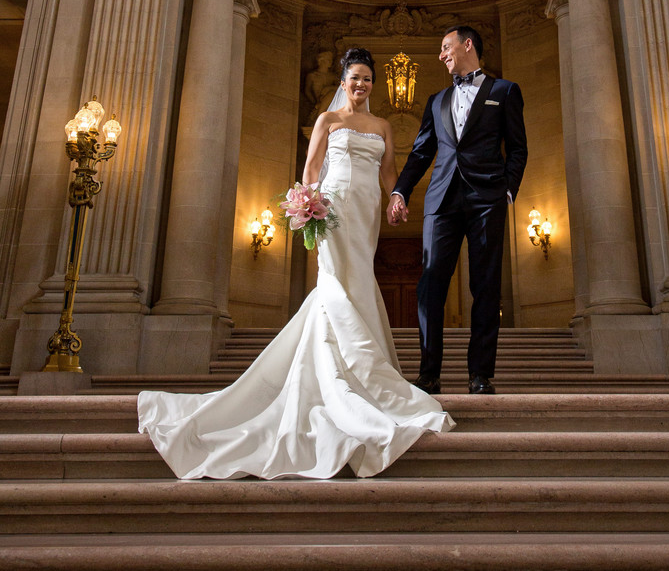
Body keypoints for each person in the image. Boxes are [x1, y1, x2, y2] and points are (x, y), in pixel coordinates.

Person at [138, 47, 454, 480]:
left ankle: (351, 365)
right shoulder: (328, 121)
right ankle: (344, 370)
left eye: (367, 79)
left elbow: (388, 171)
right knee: (336, 281)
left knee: (359, 275)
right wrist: (310, 204)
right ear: (343, 82)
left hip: (366, 211)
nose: (360, 85)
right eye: (354, 78)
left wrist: (397, 198)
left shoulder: (381, 126)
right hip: (335, 205)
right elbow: (310, 170)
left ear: (373, 86)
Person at [387, 26, 527, 396]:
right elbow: (420, 153)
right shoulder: (436, 100)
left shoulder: (504, 91)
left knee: (485, 286)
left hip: (487, 199)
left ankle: (480, 374)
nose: (441, 55)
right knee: (430, 285)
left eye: (445, 47)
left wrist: (507, 192)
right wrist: (400, 191)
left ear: (467, 46)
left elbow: (517, 149)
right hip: (440, 201)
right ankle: (429, 373)